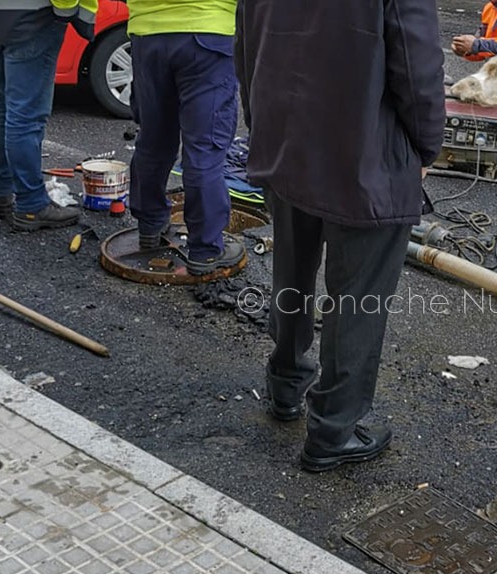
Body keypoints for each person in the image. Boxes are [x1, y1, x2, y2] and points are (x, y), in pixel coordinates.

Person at [238, 0, 445, 472]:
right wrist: (427, 145)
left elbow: (246, 46)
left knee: (291, 271)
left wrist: (262, 124)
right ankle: (333, 430)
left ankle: (285, 385)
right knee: (359, 300)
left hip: (287, 140)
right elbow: (417, 67)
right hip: (363, 155)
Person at [126, 0, 245, 276]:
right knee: (205, 147)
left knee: (153, 138)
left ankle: (150, 223)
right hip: (207, 31)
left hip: (148, 34)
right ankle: (205, 250)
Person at [0, 0, 95, 231]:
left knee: (4, 106)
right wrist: (67, 11)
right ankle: (31, 205)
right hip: (32, 16)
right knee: (25, 116)